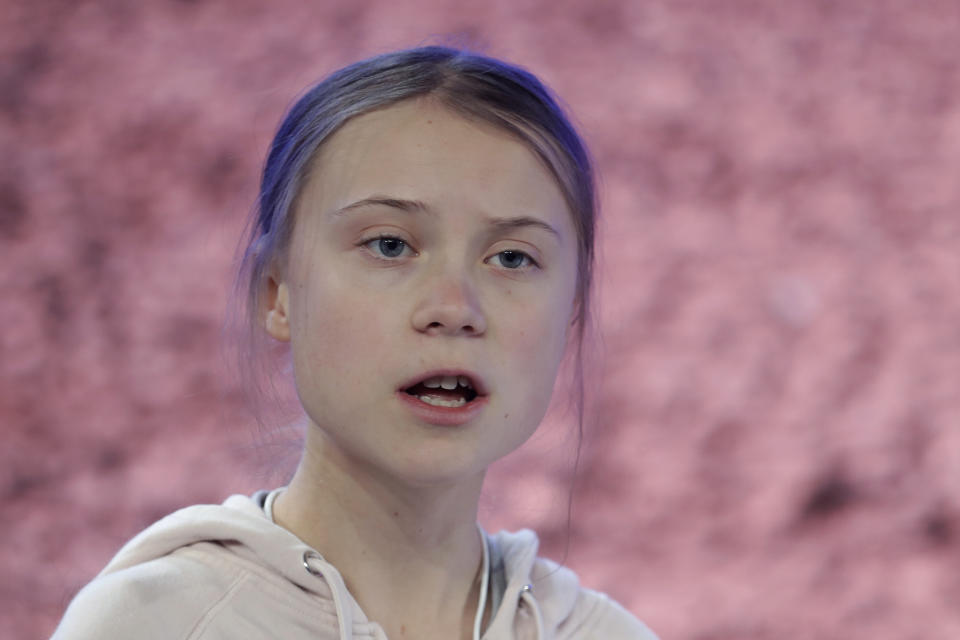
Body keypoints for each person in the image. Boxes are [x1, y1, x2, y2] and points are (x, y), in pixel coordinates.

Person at [52, 46, 658, 640]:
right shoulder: (155, 623)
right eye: (390, 244)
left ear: (571, 309)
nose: (454, 308)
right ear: (277, 291)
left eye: (511, 257)